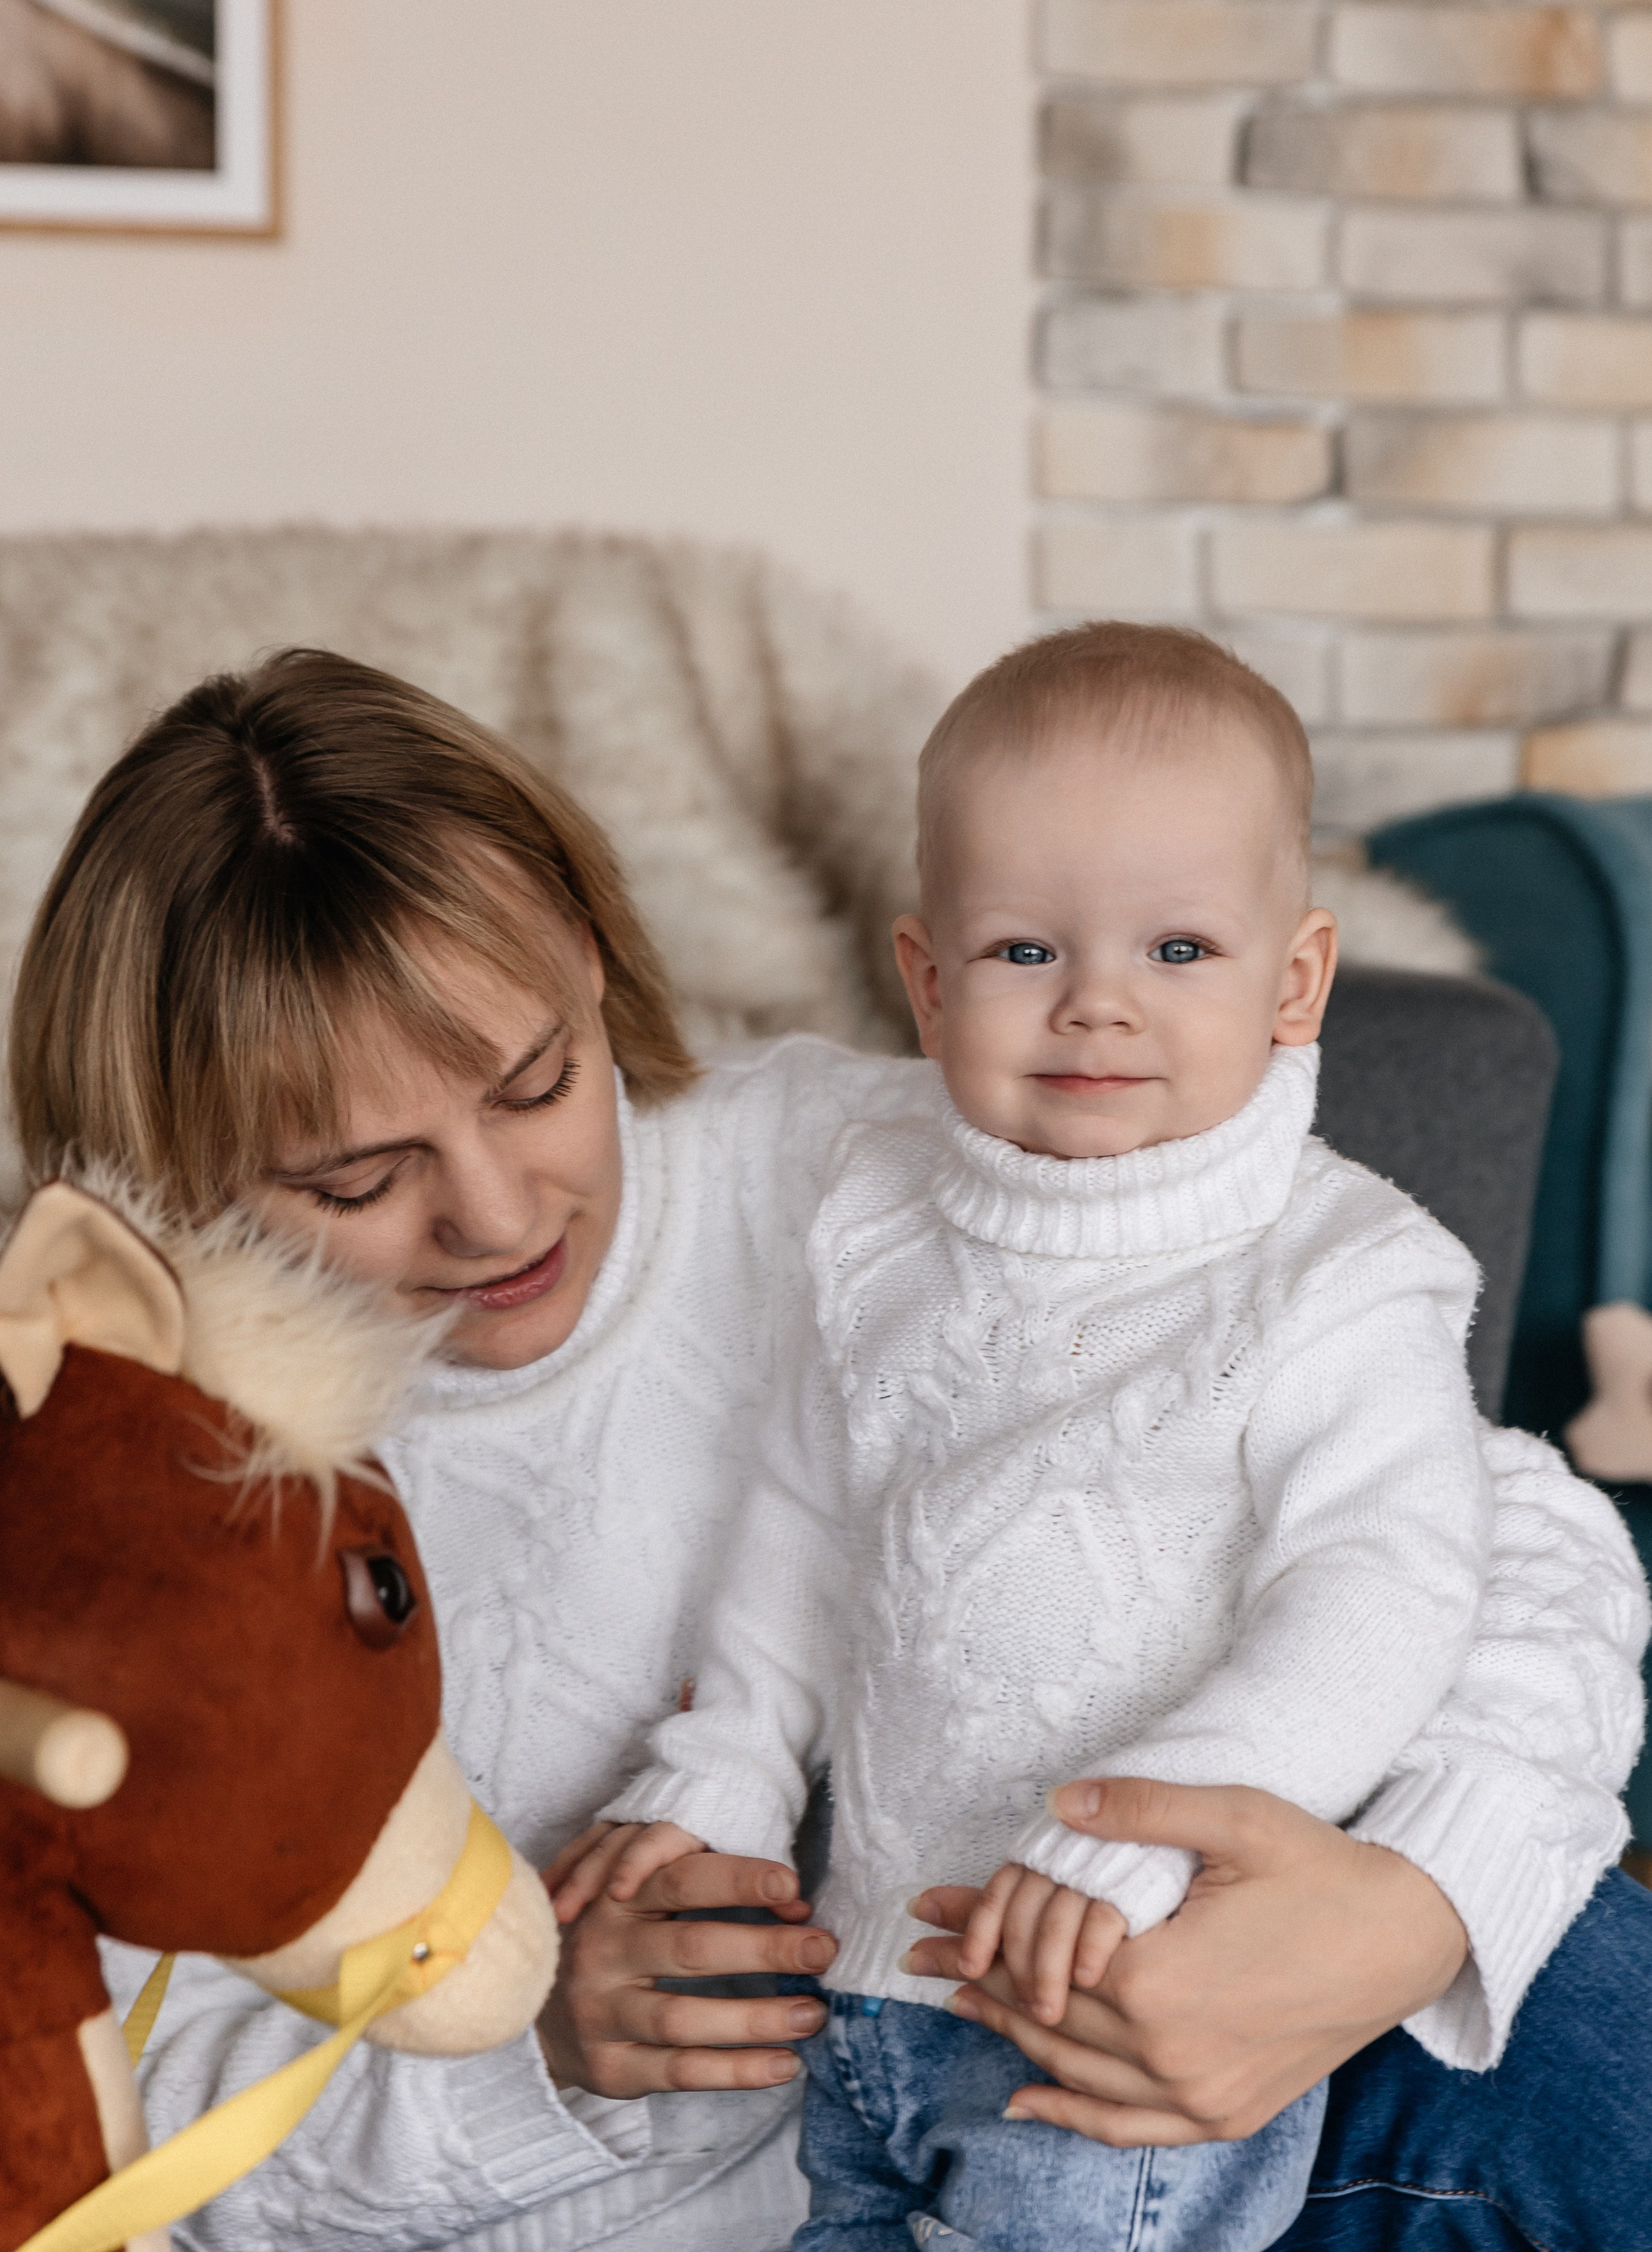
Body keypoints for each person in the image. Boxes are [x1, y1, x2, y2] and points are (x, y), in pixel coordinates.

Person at [5, 645, 1647, 2252]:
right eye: (353, 1180)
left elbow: (1508, 1526)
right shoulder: (136, 1491)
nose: (497, 1215)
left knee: (1566, 2003)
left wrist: (1412, 1912)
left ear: (587, 959)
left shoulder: (878, 1167)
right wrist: (541, 2060)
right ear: (179, 1165)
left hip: (1191, 2065)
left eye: (538, 1082)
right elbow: (101, 2116)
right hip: (759, 2192)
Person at [556, 626, 1494, 2252]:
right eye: (1021, 953)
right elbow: (799, 1524)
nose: (1097, 1008)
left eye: (1180, 951)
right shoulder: (874, 1228)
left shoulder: (1342, 1271)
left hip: (1122, 2011)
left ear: (1296, 979)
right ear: (925, 979)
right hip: (872, 1990)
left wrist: (1151, 1831)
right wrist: (725, 1761)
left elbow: (1385, 1591)